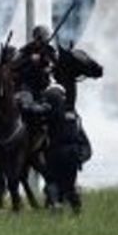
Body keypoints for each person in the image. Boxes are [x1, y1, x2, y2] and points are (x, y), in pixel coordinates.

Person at [42, 84, 87, 213]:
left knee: (51, 180)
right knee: (69, 185)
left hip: (55, 151)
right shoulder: (74, 114)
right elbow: (81, 135)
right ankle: (76, 209)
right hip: (73, 153)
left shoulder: (49, 113)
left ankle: (56, 204)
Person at [13, 25, 58, 99]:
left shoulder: (49, 50)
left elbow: (56, 64)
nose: (40, 42)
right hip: (27, 83)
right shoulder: (27, 49)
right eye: (39, 39)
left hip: (44, 83)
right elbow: (16, 64)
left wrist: (50, 68)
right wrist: (30, 59)